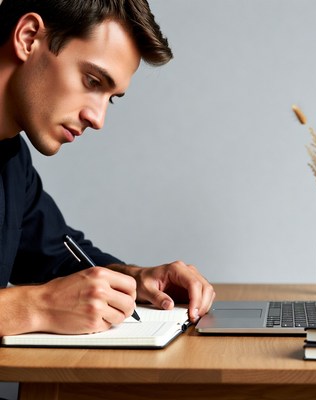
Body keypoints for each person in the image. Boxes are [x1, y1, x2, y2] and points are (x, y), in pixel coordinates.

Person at [0, 0, 215, 336]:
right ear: (28, 38)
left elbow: (57, 257)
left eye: (110, 97)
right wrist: (35, 307)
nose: (97, 119)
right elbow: (48, 296)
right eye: (91, 80)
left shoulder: (11, 160)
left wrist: (136, 278)